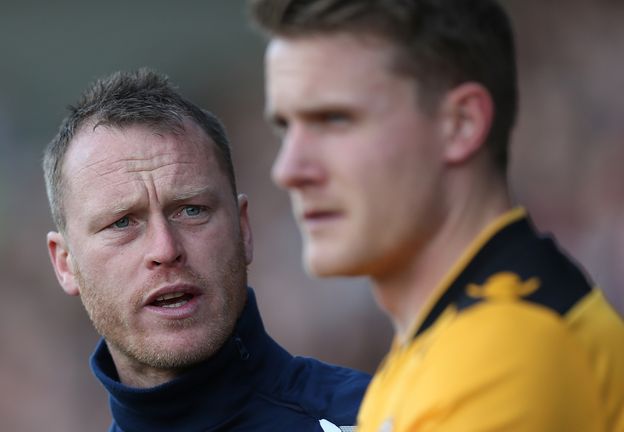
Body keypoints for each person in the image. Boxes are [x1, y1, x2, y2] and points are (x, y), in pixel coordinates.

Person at [250, 0, 624, 431]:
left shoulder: (502, 356)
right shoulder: (450, 342)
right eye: (285, 127)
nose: (288, 169)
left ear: (461, 123)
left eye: (335, 119)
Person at [42, 68, 370, 432]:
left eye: (191, 210)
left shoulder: (382, 418)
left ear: (243, 228)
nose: (165, 249)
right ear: (65, 264)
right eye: (122, 222)